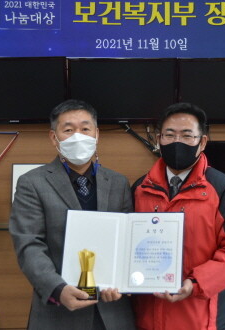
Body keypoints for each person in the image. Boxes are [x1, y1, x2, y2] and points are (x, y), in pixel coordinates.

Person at [9, 99, 135, 330]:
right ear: (53, 137)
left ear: (97, 134)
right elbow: (28, 244)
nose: (78, 136)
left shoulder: (118, 182)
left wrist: (122, 281)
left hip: (113, 313)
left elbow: (127, 240)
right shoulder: (32, 183)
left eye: (85, 129)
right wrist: (57, 289)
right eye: (68, 130)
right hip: (58, 312)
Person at [132, 102, 225, 330]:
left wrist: (196, 282)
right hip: (148, 314)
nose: (177, 142)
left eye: (187, 135)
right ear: (159, 139)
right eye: (169, 135)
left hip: (200, 315)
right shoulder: (140, 188)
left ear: (203, 142)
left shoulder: (224, 190)